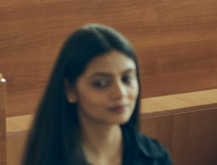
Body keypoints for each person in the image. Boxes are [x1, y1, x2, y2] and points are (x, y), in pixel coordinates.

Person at [22, 24, 172, 165]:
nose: (120, 93)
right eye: (101, 83)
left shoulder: (155, 157)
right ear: (70, 90)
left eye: (126, 79)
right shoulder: (49, 160)